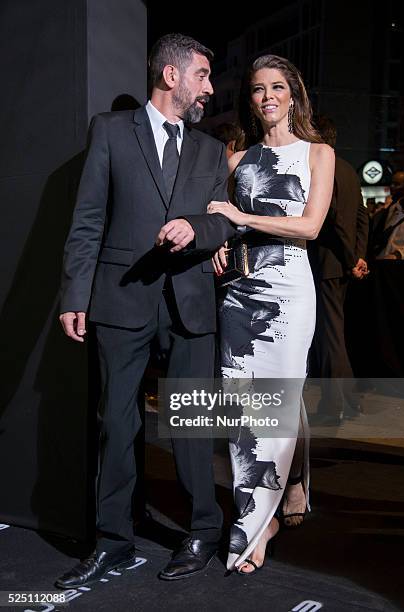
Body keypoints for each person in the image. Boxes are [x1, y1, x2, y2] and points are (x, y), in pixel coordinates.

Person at [55, 33, 237, 588]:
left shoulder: (210, 149)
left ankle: (204, 531)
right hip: (120, 297)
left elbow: (225, 222)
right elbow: (88, 219)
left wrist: (197, 228)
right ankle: (113, 540)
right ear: (171, 76)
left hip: (189, 303)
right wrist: (75, 295)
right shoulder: (109, 132)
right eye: (202, 75)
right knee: (117, 423)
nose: (209, 87)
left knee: (190, 427)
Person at [208, 54, 335, 573]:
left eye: (277, 87)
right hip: (239, 293)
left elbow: (309, 228)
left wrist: (240, 216)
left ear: (293, 95)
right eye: (259, 89)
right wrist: (220, 238)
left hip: (288, 291)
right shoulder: (235, 160)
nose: (267, 97)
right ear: (251, 99)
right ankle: (261, 507)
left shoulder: (318, 154)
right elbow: (217, 219)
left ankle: (262, 524)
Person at [308, 116, 369, 426]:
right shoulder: (347, 168)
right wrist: (359, 256)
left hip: (328, 264)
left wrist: (349, 259)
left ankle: (334, 405)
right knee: (335, 334)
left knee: (329, 336)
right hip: (340, 265)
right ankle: (350, 399)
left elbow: (333, 220)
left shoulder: (325, 167)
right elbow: (361, 216)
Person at [371, 173, 404, 260]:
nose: (392, 187)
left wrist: (398, 255)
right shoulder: (392, 209)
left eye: (397, 184)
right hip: (381, 263)